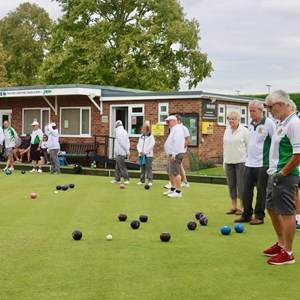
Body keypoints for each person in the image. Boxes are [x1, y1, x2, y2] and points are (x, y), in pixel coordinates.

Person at [263, 89, 300, 265]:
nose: (269, 110)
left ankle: (288, 252)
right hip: (275, 174)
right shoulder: (281, 123)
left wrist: (282, 173)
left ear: (280, 105)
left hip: (286, 175)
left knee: (287, 213)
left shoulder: (294, 124)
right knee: (271, 209)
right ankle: (281, 243)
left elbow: (298, 154)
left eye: (270, 107)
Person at [235, 100, 276, 225]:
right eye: (250, 111)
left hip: (263, 163)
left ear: (261, 110)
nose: (251, 113)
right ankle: (246, 214)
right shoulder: (251, 123)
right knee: (246, 190)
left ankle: (259, 216)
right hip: (249, 162)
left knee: (261, 190)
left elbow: (276, 142)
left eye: (253, 111)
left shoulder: (269, 123)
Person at [223, 110, 248, 215]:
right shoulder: (226, 130)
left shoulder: (244, 131)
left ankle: (242, 207)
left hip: (241, 161)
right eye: (229, 119)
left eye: (233, 119)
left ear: (238, 120)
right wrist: (224, 161)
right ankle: (234, 206)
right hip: (229, 161)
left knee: (241, 185)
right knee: (231, 185)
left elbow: (248, 146)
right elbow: (224, 146)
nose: (231, 121)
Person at [163, 115, 185, 198]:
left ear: (174, 121)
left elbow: (177, 142)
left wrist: (174, 154)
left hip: (176, 154)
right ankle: (172, 189)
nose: (167, 123)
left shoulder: (178, 129)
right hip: (172, 154)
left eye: (169, 121)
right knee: (170, 172)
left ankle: (178, 191)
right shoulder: (174, 129)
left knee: (175, 173)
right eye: (167, 122)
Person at [110, 120, 130, 184]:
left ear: (117, 125)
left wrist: (126, 149)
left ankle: (126, 179)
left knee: (122, 166)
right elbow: (127, 141)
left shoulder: (118, 132)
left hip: (121, 151)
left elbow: (121, 142)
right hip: (122, 151)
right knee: (117, 166)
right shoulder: (125, 131)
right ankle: (117, 179)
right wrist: (127, 149)